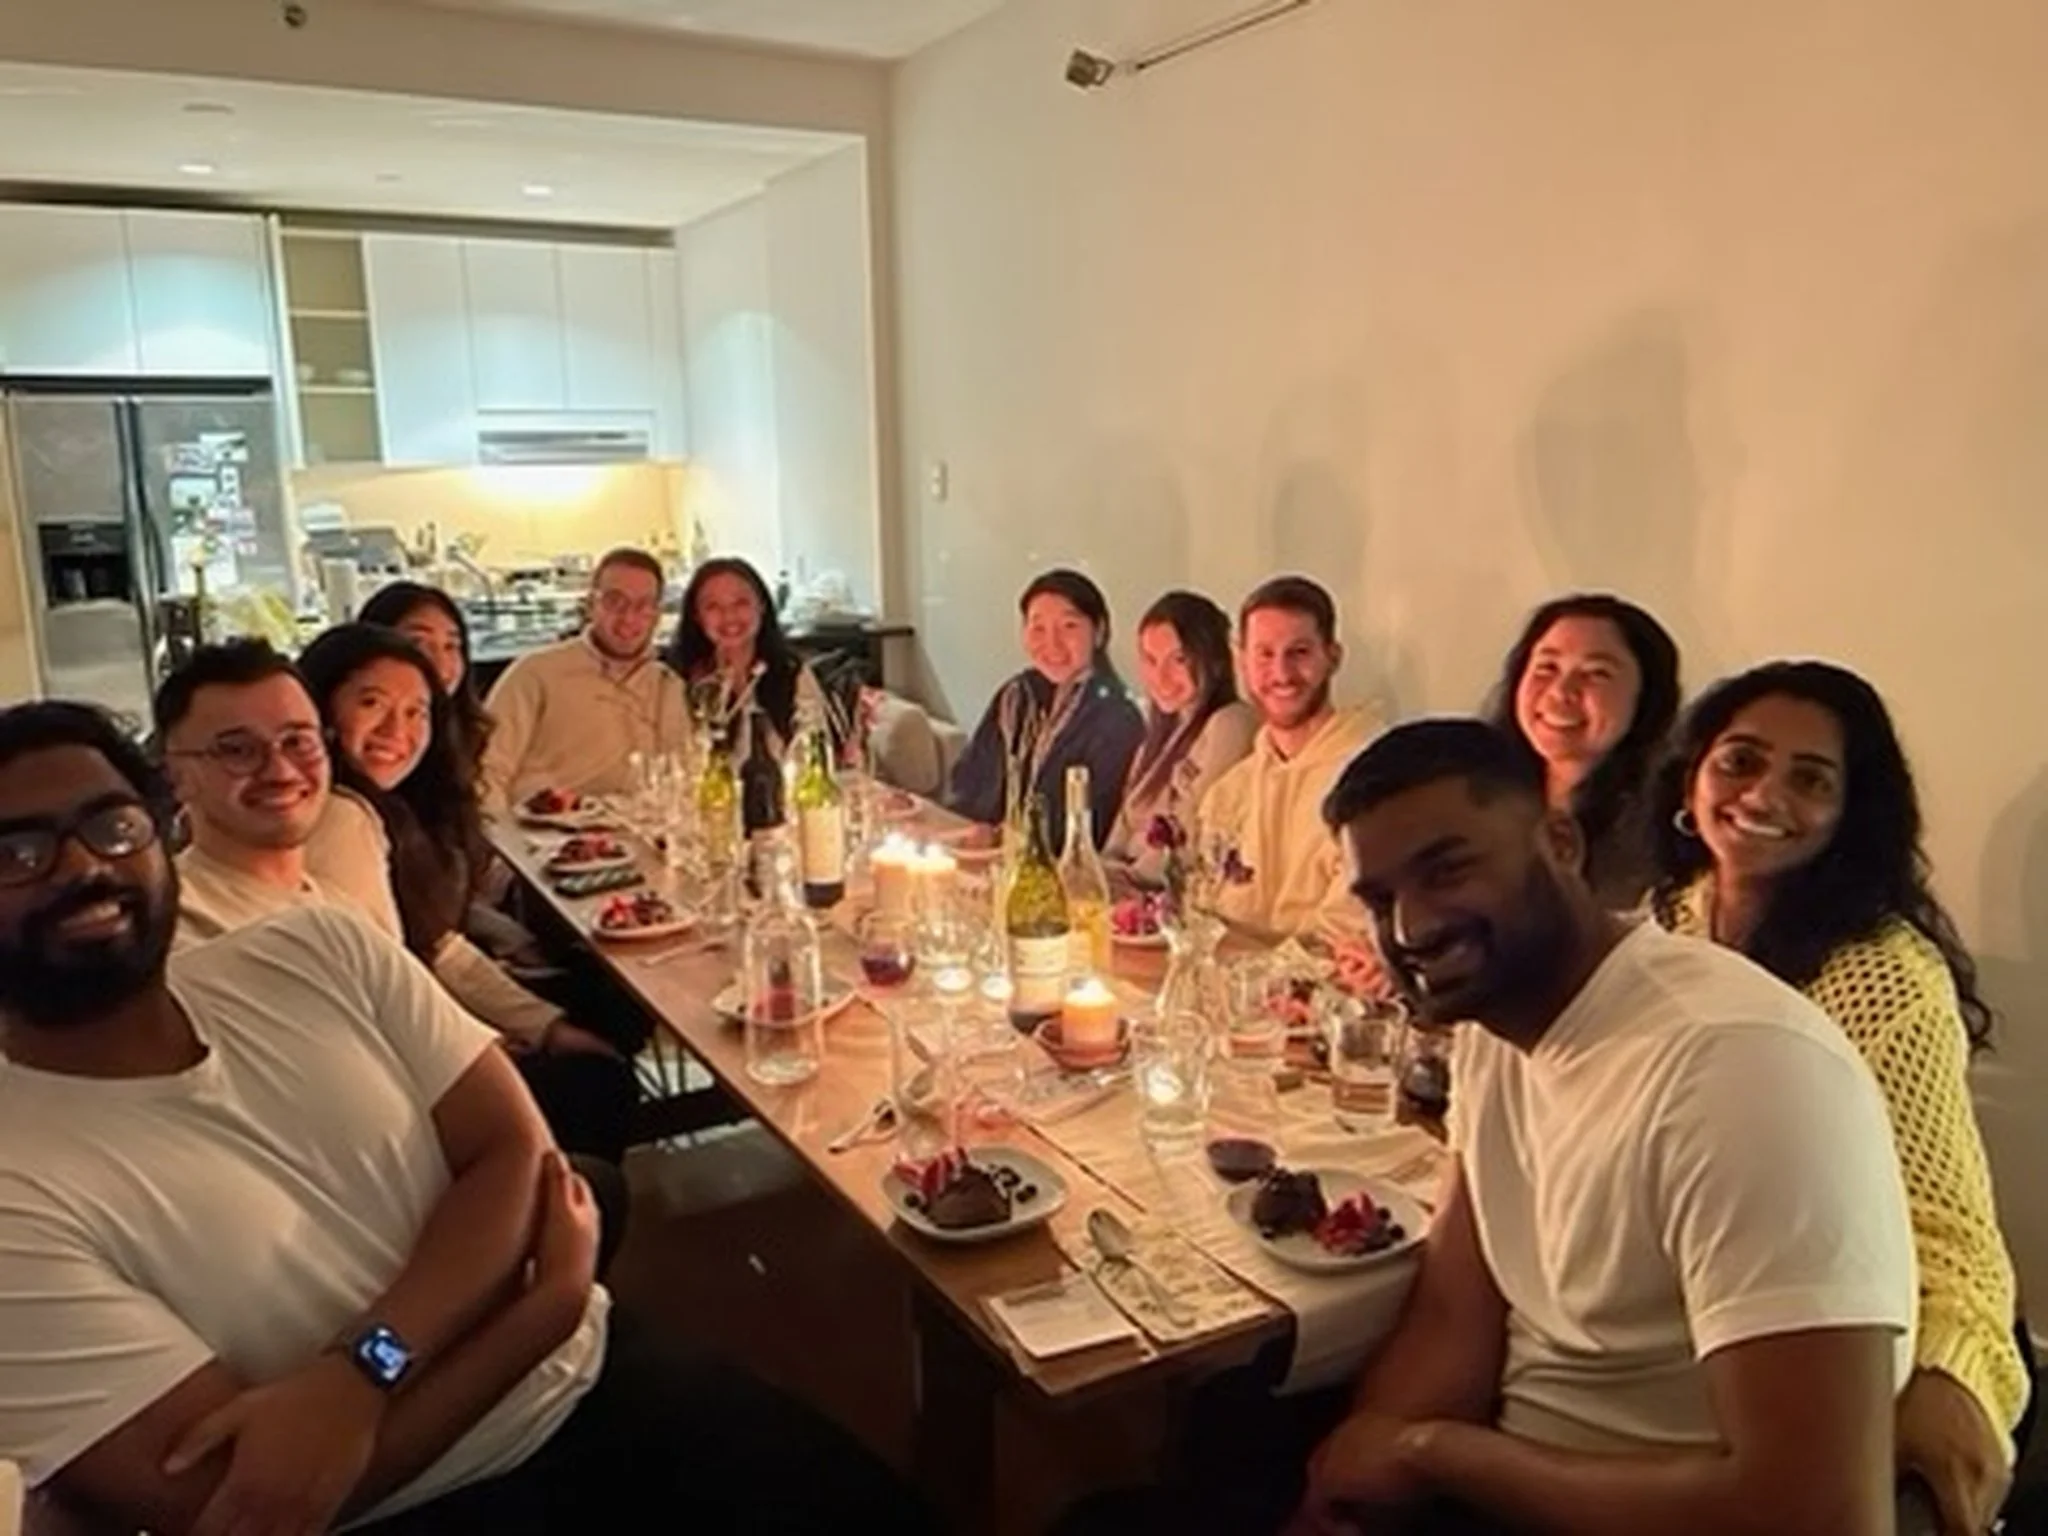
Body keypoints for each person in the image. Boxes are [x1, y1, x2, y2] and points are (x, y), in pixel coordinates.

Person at [0, 700, 934, 1535]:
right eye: (17, 851)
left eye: (111, 825)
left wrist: (360, 1371)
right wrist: (540, 1308)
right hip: (415, 1501)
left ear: (158, 832)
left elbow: (514, 1152)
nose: (82, 866)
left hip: (601, 1376)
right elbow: (234, 1503)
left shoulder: (314, 950)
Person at [1289, 717, 1917, 1535]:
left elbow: (1815, 1512)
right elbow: (1453, 1314)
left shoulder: (1737, 1068)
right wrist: (1337, 1497)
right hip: (1506, 1484)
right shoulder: (1497, 1029)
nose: (1409, 929)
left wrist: (1427, 1452)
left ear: (1560, 842)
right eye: (1379, 899)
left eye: (1448, 869)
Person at [1649, 659, 2028, 1533]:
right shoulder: (1675, 917)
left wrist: (1948, 1380)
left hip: (1833, 1322)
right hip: (1699, 1301)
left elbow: (1947, 1230)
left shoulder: (1883, 977)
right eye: (1740, 761)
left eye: (1810, 779)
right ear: (1694, 774)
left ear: (1851, 812)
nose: (1764, 794)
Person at [299, 625, 641, 1165]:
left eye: (417, 712)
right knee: (600, 1077)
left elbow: (433, 943)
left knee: (606, 1005)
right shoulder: (343, 820)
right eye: (372, 703)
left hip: (407, 1039)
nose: (399, 730)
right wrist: (491, 1045)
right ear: (318, 709)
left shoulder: (388, 807)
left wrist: (544, 1026)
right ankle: (547, 1212)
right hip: (385, 1088)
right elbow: (390, 987)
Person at [1195, 576, 1382, 940]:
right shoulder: (1230, 792)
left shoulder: (1370, 783)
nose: (1281, 674)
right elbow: (1203, 917)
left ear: (1333, 657)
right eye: (1265, 654)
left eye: (1299, 652)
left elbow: (1344, 938)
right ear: (1242, 661)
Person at [1487, 593, 1680, 909]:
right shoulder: (1475, 795)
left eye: (1596, 673)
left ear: (1646, 697)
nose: (1561, 692)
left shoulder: (1665, 830)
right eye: (1546, 667)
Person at [479, 548, 688, 815]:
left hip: (637, 843)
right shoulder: (535, 674)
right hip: (544, 844)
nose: (629, 617)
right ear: (591, 605)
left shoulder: (668, 686)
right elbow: (486, 772)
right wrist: (507, 848)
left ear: (657, 615)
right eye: (615, 602)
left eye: (643, 605)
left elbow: (683, 781)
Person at [949, 567, 1145, 850]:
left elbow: (1098, 822)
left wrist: (1010, 838)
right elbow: (969, 778)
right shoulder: (1016, 696)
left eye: (1069, 627)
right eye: (1038, 627)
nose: (1051, 643)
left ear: (1100, 632)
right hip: (990, 857)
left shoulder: (1117, 717)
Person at [1103, 590, 1257, 883]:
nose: (1161, 677)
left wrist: (1126, 880)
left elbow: (1190, 837)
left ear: (1213, 660)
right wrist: (1099, 874)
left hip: (1173, 900)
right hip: (1130, 893)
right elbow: (1117, 836)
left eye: (1179, 660)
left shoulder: (1231, 723)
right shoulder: (1157, 735)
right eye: (1150, 660)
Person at [662, 555, 827, 758]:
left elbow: (816, 752)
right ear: (696, 615)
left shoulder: (792, 673)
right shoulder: (677, 681)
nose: (729, 616)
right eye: (713, 606)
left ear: (762, 606)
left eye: (741, 603)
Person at [359, 580, 492, 778]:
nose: (441, 663)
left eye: (451, 646)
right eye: (418, 644)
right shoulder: (377, 748)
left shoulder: (464, 740)